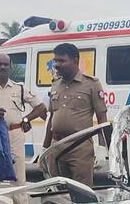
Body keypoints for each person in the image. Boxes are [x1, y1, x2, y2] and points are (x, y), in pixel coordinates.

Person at [0, 53, 46, 204]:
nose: (2, 67)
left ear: (10, 67)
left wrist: (26, 119)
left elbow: (41, 107)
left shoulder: (19, 88)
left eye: (6, 65)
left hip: (14, 134)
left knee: (19, 179)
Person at [41, 43, 107, 186]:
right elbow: (51, 118)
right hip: (56, 146)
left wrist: (102, 149)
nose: (57, 65)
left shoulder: (91, 84)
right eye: (55, 60)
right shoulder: (55, 84)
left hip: (80, 148)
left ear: (75, 60)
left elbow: (102, 118)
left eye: (62, 61)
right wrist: (45, 148)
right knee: (57, 193)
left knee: (82, 193)